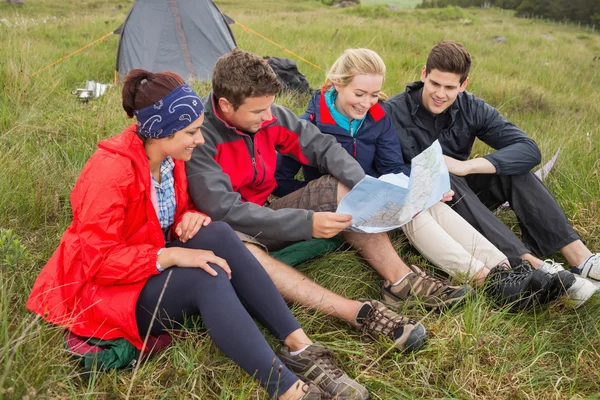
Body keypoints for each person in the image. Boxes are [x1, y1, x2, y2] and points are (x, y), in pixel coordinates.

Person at [25, 69, 370, 400]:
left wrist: (188, 217)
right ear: (161, 132)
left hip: (146, 265)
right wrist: (171, 255)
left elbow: (172, 212)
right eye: (191, 133)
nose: (200, 140)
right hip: (106, 290)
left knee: (218, 233)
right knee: (207, 277)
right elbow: (96, 259)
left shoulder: (170, 159)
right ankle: (287, 390)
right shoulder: (110, 171)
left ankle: (300, 345)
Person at [186, 48, 470, 351]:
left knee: (341, 188)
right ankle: (358, 313)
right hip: (229, 231)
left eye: (269, 108)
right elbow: (225, 210)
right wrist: (307, 223)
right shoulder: (200, 137)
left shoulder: (271, 117)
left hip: (266, 210)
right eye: (258, 112)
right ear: (226, 105)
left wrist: (363, 186)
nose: (268, 117)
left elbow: (322, 146)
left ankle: (400, 281)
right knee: (246, 253)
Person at [274, 48, 569, 309]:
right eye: (359, 94)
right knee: (413, 211)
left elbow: (392, 166)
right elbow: (281, 179)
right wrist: (322, 195)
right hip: (335, 206)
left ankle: (503, 270)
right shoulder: (308, 125)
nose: (367, 103)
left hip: (376, 198)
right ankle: (486, 281)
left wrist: (422, 188)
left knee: (424, 203)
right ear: (338, 84)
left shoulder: (377, 118)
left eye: (375, 94)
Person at [384, 40, 598, 305]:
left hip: (464, 195)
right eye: (434, 84)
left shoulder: (471, 107)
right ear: (423, 74)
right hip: (426, 210)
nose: (440, 94)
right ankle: (529, 265)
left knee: (511, 167)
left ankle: (581, 258)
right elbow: (384, 171)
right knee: (443, 173)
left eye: (450, 88)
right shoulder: (392, 112)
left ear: (464, 85)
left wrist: (468, 165)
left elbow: (528, 149)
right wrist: (433, 176)